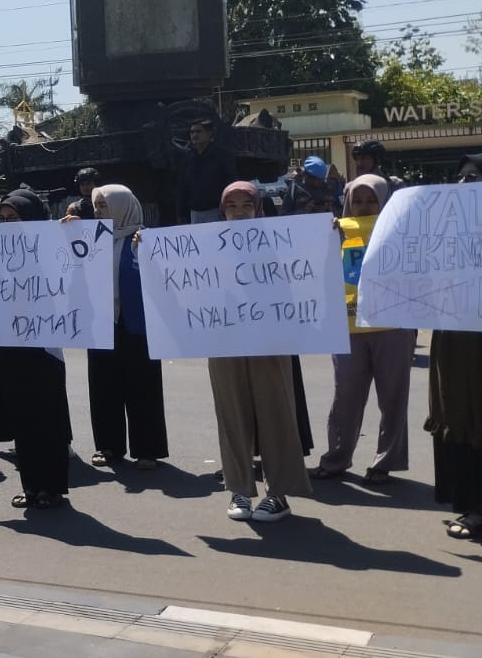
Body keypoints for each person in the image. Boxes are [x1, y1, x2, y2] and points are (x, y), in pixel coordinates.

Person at [206, 181, 311, 522]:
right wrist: (143, 248)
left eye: (246, 205)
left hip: (270, 340)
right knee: (231, 413)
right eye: (232, 206)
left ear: (258, 208)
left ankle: (278, 494)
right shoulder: (205, 247)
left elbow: (307, 275)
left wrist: (325, 238)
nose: (238, 212)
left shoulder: (280, 243)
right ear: (223, 211)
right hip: (223, 341)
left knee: (275, 412)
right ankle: (239, 489)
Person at [312, 175, 416, 485]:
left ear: (384, 201)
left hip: (393, 326)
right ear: (347, 201)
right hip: (348, 328)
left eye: (371, 199)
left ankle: (386, 462)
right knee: (345, 398)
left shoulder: (402, 231)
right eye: (357, 200)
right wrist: (326, 235)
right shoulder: (334, 231)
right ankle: (336, 459)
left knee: (393, 397)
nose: (364, 206)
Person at [0, 189, 72, 510]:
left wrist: (73, 232)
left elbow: (76, 266)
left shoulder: (51, 247)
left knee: (47, 420)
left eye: (16, 218)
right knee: (22, 421)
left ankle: (52, 488)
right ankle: (31, 485)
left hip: (43, 348)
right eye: (4, 218)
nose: (9, 224)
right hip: (9, 346)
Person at [84, 184, 168, 471]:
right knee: (103, 387)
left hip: (137, 325)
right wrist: (64, 233)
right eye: (96, 205)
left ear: (122, 206)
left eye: (103, 205)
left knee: (142, 387)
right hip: (101, 324)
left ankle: (147, 449)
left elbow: (164, 280)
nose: (97, 211)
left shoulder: (146, 238)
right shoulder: (90, 238)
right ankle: (109, 447)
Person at [429, 153, 482, 541]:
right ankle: (473, 507)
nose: (466, 184)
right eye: (461, 177)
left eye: (475, 177)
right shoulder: (438, 229)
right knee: (461, 416)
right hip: (456, 341)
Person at [177, 119, 238, 224]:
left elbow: (231, 183)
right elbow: (182, 187)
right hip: (195, 213)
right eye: (192, 132)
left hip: (217, 211)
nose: (194, 135)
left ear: (209, 133)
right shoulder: (187, 159)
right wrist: (181, 214)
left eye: (198, 131)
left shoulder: (223, 156)